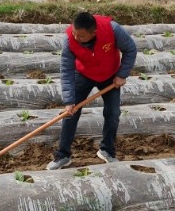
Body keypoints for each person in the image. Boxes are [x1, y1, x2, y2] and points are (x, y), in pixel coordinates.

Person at [46, 12, 137, 170]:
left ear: (93, 33)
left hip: (110, 76)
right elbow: (66, 70)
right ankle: (63, 155)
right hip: (83, 74)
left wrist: (122, 75)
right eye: (74, 32)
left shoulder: (112, 30)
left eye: (80, 36)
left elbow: (131, 49)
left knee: (113, 113)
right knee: (70, 113)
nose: (76, 37)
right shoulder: (69, 39)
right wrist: (69, 101)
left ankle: (107, 150)